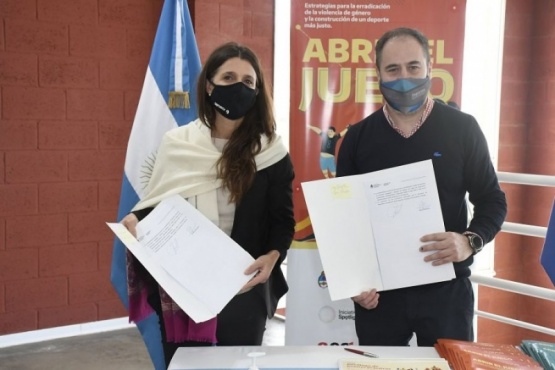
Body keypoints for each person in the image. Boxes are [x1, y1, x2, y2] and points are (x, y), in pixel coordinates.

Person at [121, 42, 295, 366]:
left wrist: (272, 258)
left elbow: (283, 221)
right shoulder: (177, 144)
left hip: (245, 286)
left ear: (257, 92)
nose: (239, 87)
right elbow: (156, 204)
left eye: (248, 81)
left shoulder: (270, 152)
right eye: (228, 77)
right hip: (183, 286)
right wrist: (135, 219)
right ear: (209, 85)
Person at [336, 27, 507, 347]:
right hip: (378, 297)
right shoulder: (357, 138)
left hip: (447, 291)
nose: (404, 78)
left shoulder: (462, 129)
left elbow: (492, 199)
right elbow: (345, 221)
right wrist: (353, 281)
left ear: (430, 68)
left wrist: (470, 241)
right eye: (393, 69)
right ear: (378, 74)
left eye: (413, 67)